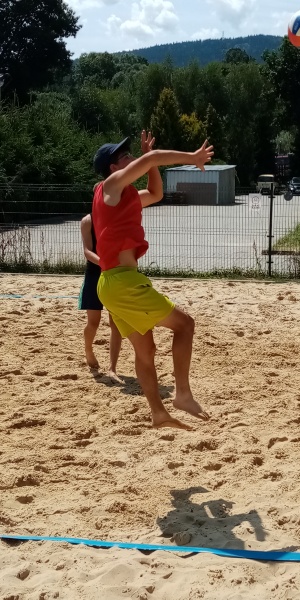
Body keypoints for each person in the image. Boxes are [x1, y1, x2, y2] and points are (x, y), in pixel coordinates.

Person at [92, 131, 214, 431]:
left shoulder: (123, 196)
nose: (132, 157)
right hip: (123, 283)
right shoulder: (111, 185)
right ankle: (182, 395)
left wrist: (150, 161)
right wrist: (192, 158)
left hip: (111, 284)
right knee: (185, 325)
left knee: (145, 351)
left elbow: (156, 194)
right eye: (125, 156)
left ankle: (158, 413)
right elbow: (154, 159)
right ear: (113, 167)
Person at [79, 210, 123, 383]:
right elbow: (87, 251)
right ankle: (88, 350)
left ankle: (113, 368)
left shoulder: (118, 218)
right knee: (93, 322)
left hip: (116, 274)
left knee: (115, 322)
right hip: (95, 274)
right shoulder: (87, 221)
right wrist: (105, 263)